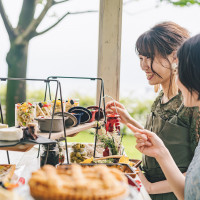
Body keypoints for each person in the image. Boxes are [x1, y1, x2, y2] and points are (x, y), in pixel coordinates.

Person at [106, 22, 200, 200]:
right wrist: (129, 121)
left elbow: (194, 172)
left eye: (148, 57)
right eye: (140, 58)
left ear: (174, 58)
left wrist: (150, 187)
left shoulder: (191, 104)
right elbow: (162, 141)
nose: (143, 65)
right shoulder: (160, 99)